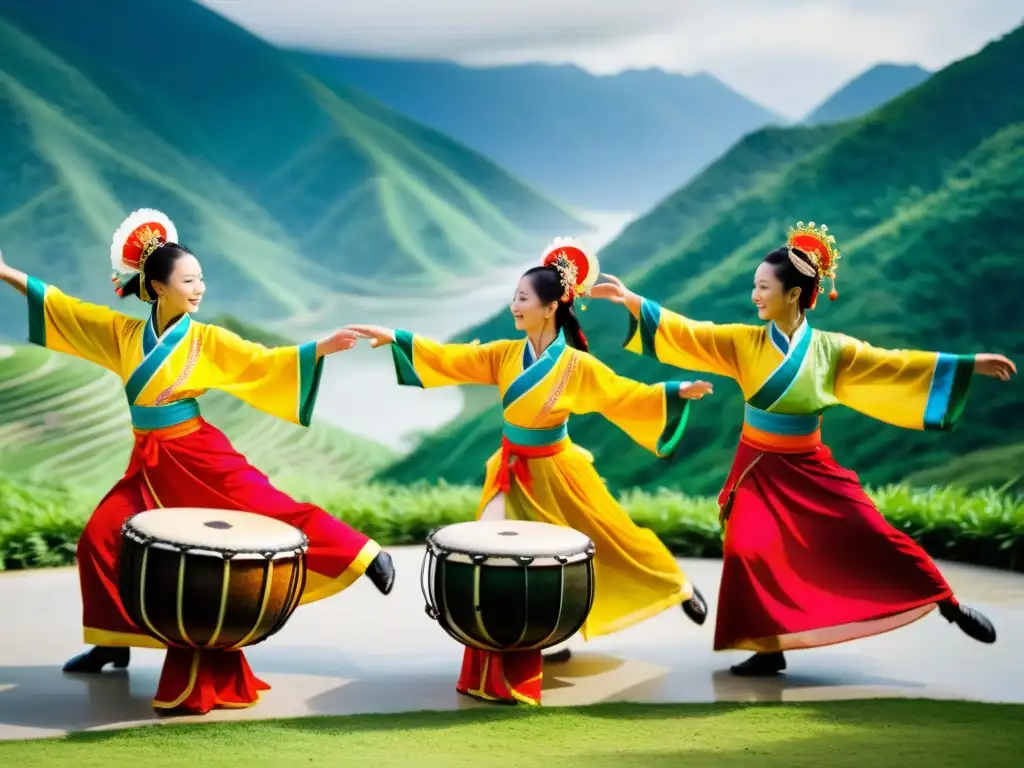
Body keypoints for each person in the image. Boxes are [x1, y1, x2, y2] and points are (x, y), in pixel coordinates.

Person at [0, 208, 395, 714]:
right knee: (97, 538)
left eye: (202, 278)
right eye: (190, 280)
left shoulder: (206, 340)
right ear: (159, 287)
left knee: (272, 507)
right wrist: (9, 273)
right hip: (148, 464)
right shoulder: (122, 335)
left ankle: (364, 555)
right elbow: (65, 308)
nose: (200, 288)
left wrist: (318, 347)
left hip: (198, 453)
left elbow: (262, 361)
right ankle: (111, 638)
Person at [591, 220, 1016, 677]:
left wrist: (969, 365)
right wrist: (635, 303)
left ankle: (944, 602)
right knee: (748, 550)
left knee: (871, 531)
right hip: (756, 466)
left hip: (808, 464)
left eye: (763, 287)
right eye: (753, 286)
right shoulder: (743, 341)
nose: (754, 295)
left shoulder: (832, 350)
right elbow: (693, 333)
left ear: (793, 294)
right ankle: (768, 647)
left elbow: (893, 364)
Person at [347, 237, 714, 705]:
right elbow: (452, 358)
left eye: (522, 298)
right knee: (488, 549)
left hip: (559, 473)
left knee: (618, 539)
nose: (513, 306)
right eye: (514, 297)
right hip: (510, 470)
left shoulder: (576, 366)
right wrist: (398, 338)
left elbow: (621, 395)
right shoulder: (504, 354)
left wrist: (673, 392)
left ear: (549, 307)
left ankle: (675, 585)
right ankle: (519, 645)